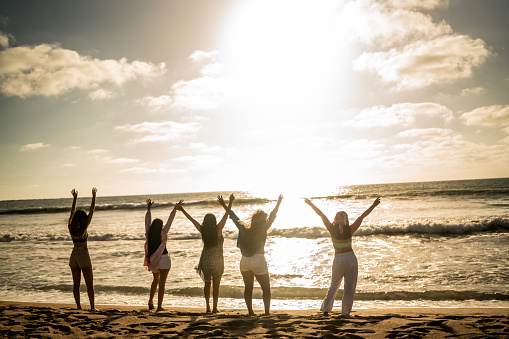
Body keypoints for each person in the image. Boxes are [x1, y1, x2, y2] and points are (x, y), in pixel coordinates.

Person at [304, 197, 381, 317]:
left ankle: (326, 310)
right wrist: (374, 205)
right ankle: (345, 313)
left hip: (339, 259)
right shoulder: (350, 230)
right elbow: (362, 217)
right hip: (351, 259)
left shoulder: (331, 229)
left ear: (335, 219)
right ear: (346, 220)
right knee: (349, 288)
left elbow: (321, 214)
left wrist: (310, 204)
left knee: (334, 285)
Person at [218, 194, 283, 316]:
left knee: (248, 288)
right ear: (263, 220)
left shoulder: (243, 228)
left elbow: (233, 216)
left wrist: (223, 204)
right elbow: (273, 216)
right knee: (266, 288)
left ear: (253, 220)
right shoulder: (263, 228)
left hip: (244, 261)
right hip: (258, 260)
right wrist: (278, 202)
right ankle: (267, 312)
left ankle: (250, 312)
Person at [176, 194, 234, 313]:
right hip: (217, 262)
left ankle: (207, 307)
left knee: (207, 285)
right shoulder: (218, 230)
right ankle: (214, 308)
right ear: (214, 222)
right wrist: (229, 202)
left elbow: (192, 220)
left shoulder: (202, 230)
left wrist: (182, 210)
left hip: (205, 262)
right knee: (216, 286)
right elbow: (226, 215)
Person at [144, 198, 184, 311]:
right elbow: (170, 221)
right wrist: (174, 209)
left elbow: (147, 222)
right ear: (161, 226)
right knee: (162, 284)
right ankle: (159, 306)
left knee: (155, 281)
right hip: (164, 260)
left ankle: (150, 301)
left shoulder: (148, 233)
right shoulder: (163, 233)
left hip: (154, 262)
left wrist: (148, 209)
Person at [68, 187, 97, 311]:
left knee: (76, 284)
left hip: (74, 254)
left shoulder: (71, 227)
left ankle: (79, 306)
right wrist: (94, 197)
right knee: (89, 284)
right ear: (84, 218)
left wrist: (75, 199)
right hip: (84, 255)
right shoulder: (85, 226)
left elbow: (72, 213)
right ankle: (92, 307)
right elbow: (92, 210)